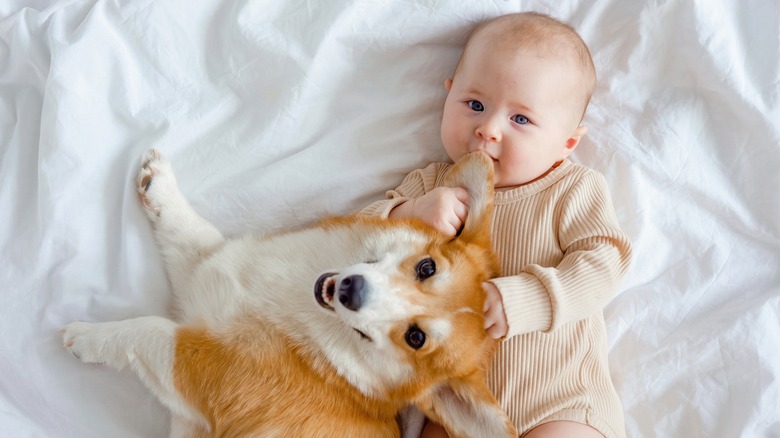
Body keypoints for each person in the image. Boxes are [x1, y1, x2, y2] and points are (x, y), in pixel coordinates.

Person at [361, 12, 632, 438]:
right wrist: (408, 215)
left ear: (567, 142)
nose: (488, 129)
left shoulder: (571, 189)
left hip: (560, 402)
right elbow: (354, 240)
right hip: (457, 407)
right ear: (447, 97)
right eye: (475, 105)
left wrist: (531, 298)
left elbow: (604, 264)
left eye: (520, 119)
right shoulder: (431, 185)